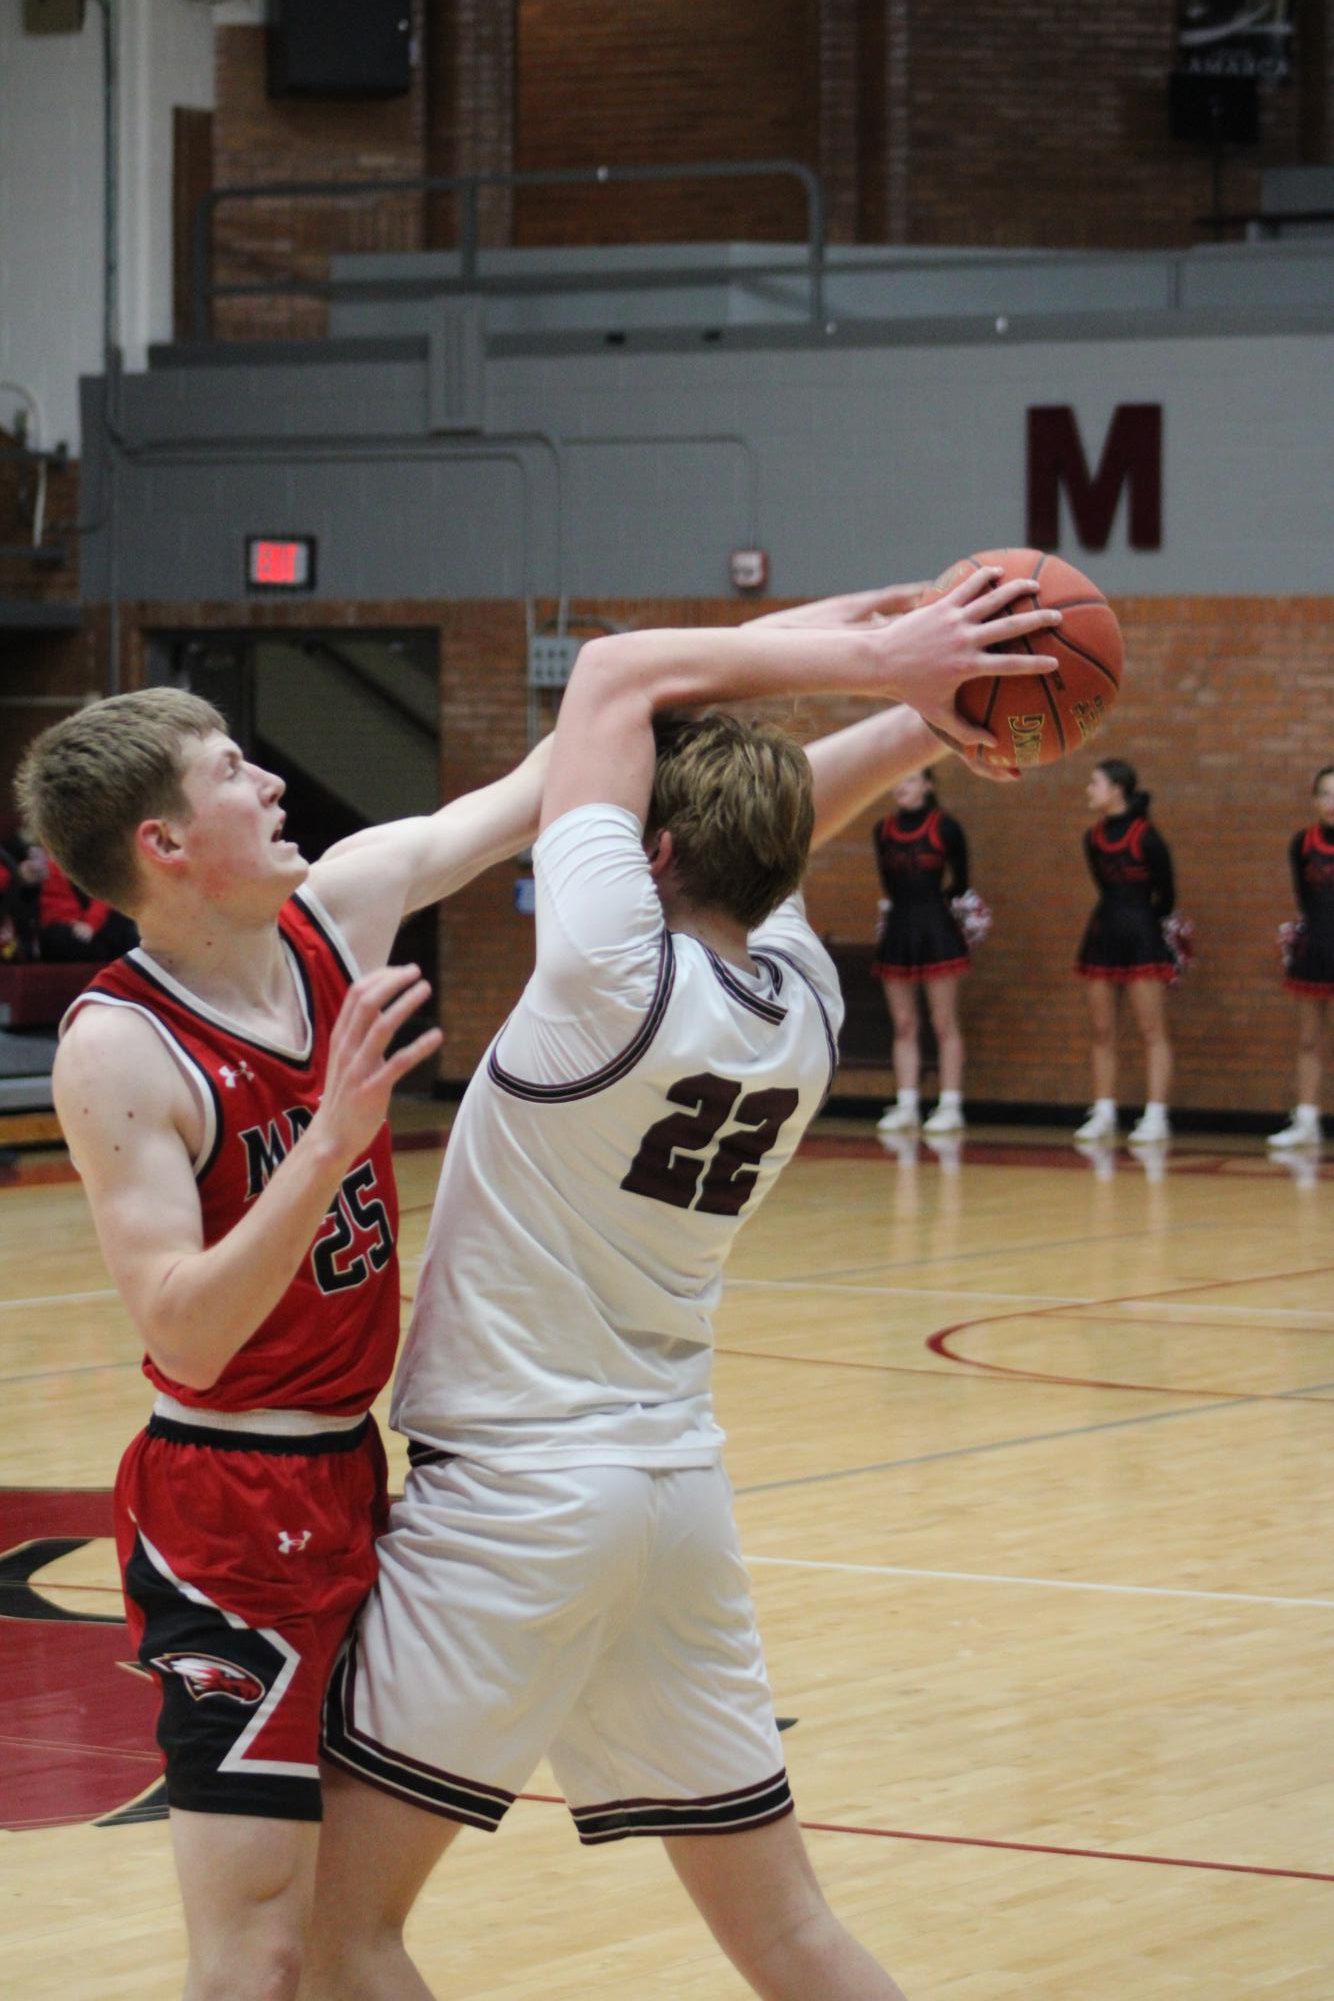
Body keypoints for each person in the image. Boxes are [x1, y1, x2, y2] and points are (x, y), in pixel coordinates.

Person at [304, 567, 1061, 2001]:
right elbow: (778, 820)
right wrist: (929, 699)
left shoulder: (605, 976)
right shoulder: (798, 999)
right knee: (787, 1937)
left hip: (516, 1501)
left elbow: (608, 679)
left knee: (339, 1938)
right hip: (673, 1497)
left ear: (641, 857)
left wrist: (877, 659)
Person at [13, 687, 553, 2001]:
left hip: (355, 1481)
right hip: (227, 1516)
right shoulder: (120, 1043)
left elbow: (549, 781)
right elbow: (186, 1335)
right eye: (231, 771)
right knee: (257, 1951)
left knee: (340, 1939)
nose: (269, 784)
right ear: (163, 843)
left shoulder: (346, 904)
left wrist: (890, 680)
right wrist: (325, 1142)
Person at [1072, 757, 1177, 1147]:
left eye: (1094, 783)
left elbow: (1166, 894)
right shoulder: (1092, 838)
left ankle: (1156, 1115)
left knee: (1152, 1029)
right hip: (1103, 932)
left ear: (1117, 789)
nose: (1088, 789)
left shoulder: (1147, 837)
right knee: (1102, 1030)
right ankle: (1103, 1112)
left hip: (1142, 934)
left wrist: (1147, 924)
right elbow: (1103, 885)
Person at [871, 770, 972, 1136]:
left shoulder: (946, 827)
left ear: (928, 785)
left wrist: (940, 911)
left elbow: (961, 882)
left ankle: (950, 1104)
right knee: (904, 1024)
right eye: (898, 780)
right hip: (899, 925)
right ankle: (907, 1103)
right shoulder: (882, 830)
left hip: (936, 927)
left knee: (943, 1021)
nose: (901, 785)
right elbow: (887, 880)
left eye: (910, 779)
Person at [1268, 763, 1334, 1149]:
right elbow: (1304, 898)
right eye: (1325, 794)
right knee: (1309, 1038)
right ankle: (1307, 1119)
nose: (1331, 803)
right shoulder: (1303, 843)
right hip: (1318, 945)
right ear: (1314, 800)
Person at [35, 848, 139, 961]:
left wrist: (90, 924)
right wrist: (75, 924)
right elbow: (52, 903)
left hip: (94, 927)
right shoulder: (45, 863)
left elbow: (104, 895)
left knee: (126, 925)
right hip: (63, 929)